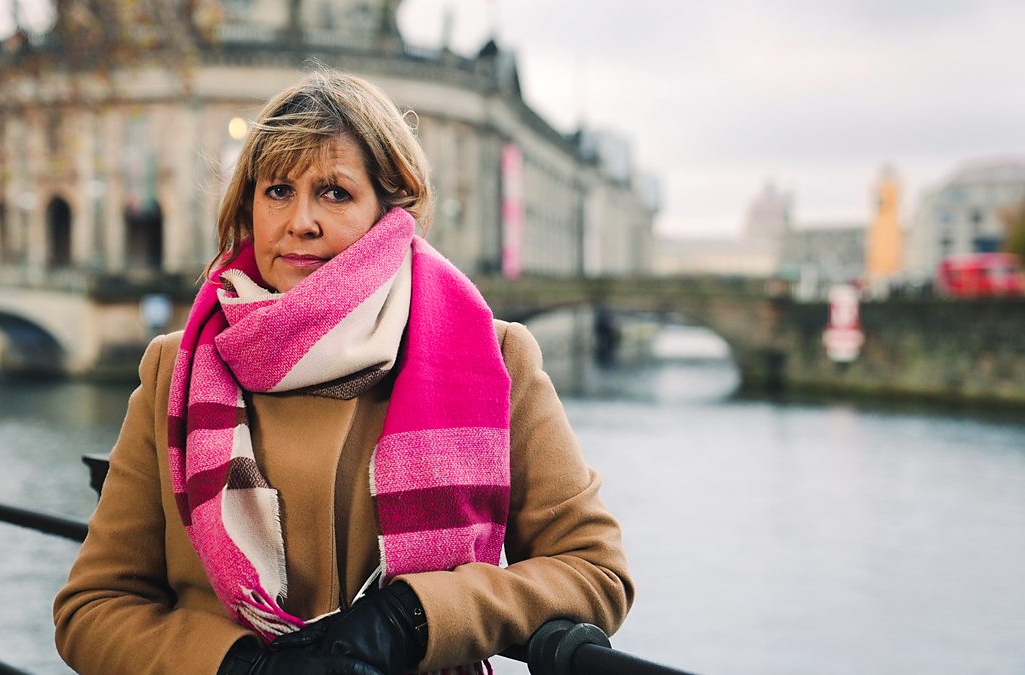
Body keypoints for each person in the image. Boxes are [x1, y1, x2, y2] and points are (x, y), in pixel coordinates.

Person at [54, 70, 632, 675]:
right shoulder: (175, 367)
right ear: (249, 206)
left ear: (389, 210)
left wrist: (412, 618)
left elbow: (594, 571)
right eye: (278, 190)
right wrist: (239, 668)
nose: (300, 221)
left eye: (334, 192)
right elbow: (92, 607)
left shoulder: (496, 358)